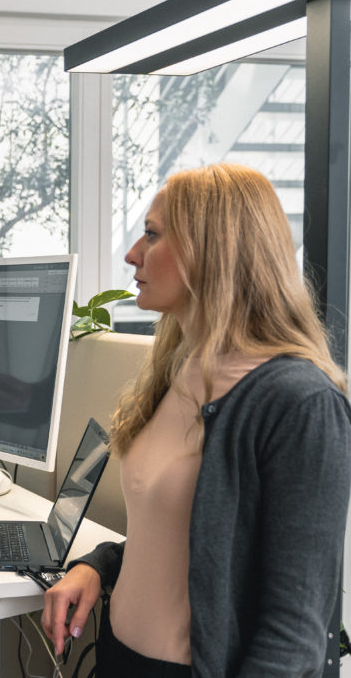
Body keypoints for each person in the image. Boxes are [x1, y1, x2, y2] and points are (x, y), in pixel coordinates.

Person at [40, 163, 351, 677]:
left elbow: (293, 631)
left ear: (216, 250)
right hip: (118, 660)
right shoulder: (180, 369)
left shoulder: (300, 402)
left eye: (153, 235)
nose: (132, 254)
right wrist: (96, 566)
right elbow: (174, 537)